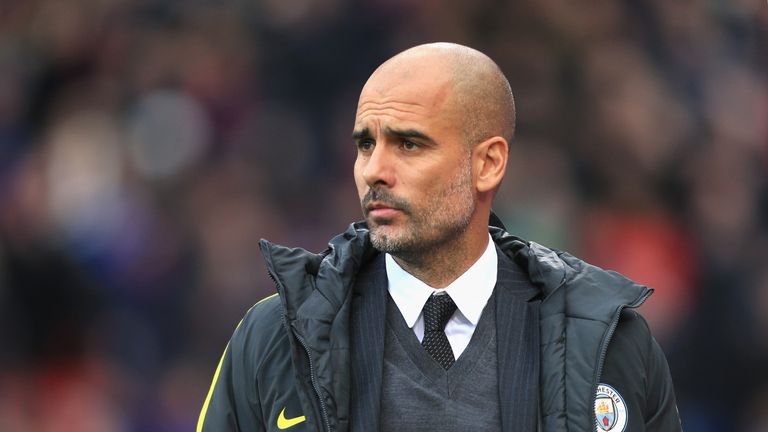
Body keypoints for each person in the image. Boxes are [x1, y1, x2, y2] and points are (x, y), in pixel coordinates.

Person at [197, 43, 682, 432]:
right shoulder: (276, 335)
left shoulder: (605, 339)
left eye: (409, 144)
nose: (374, 172)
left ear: (488, 163)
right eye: (366, 144)